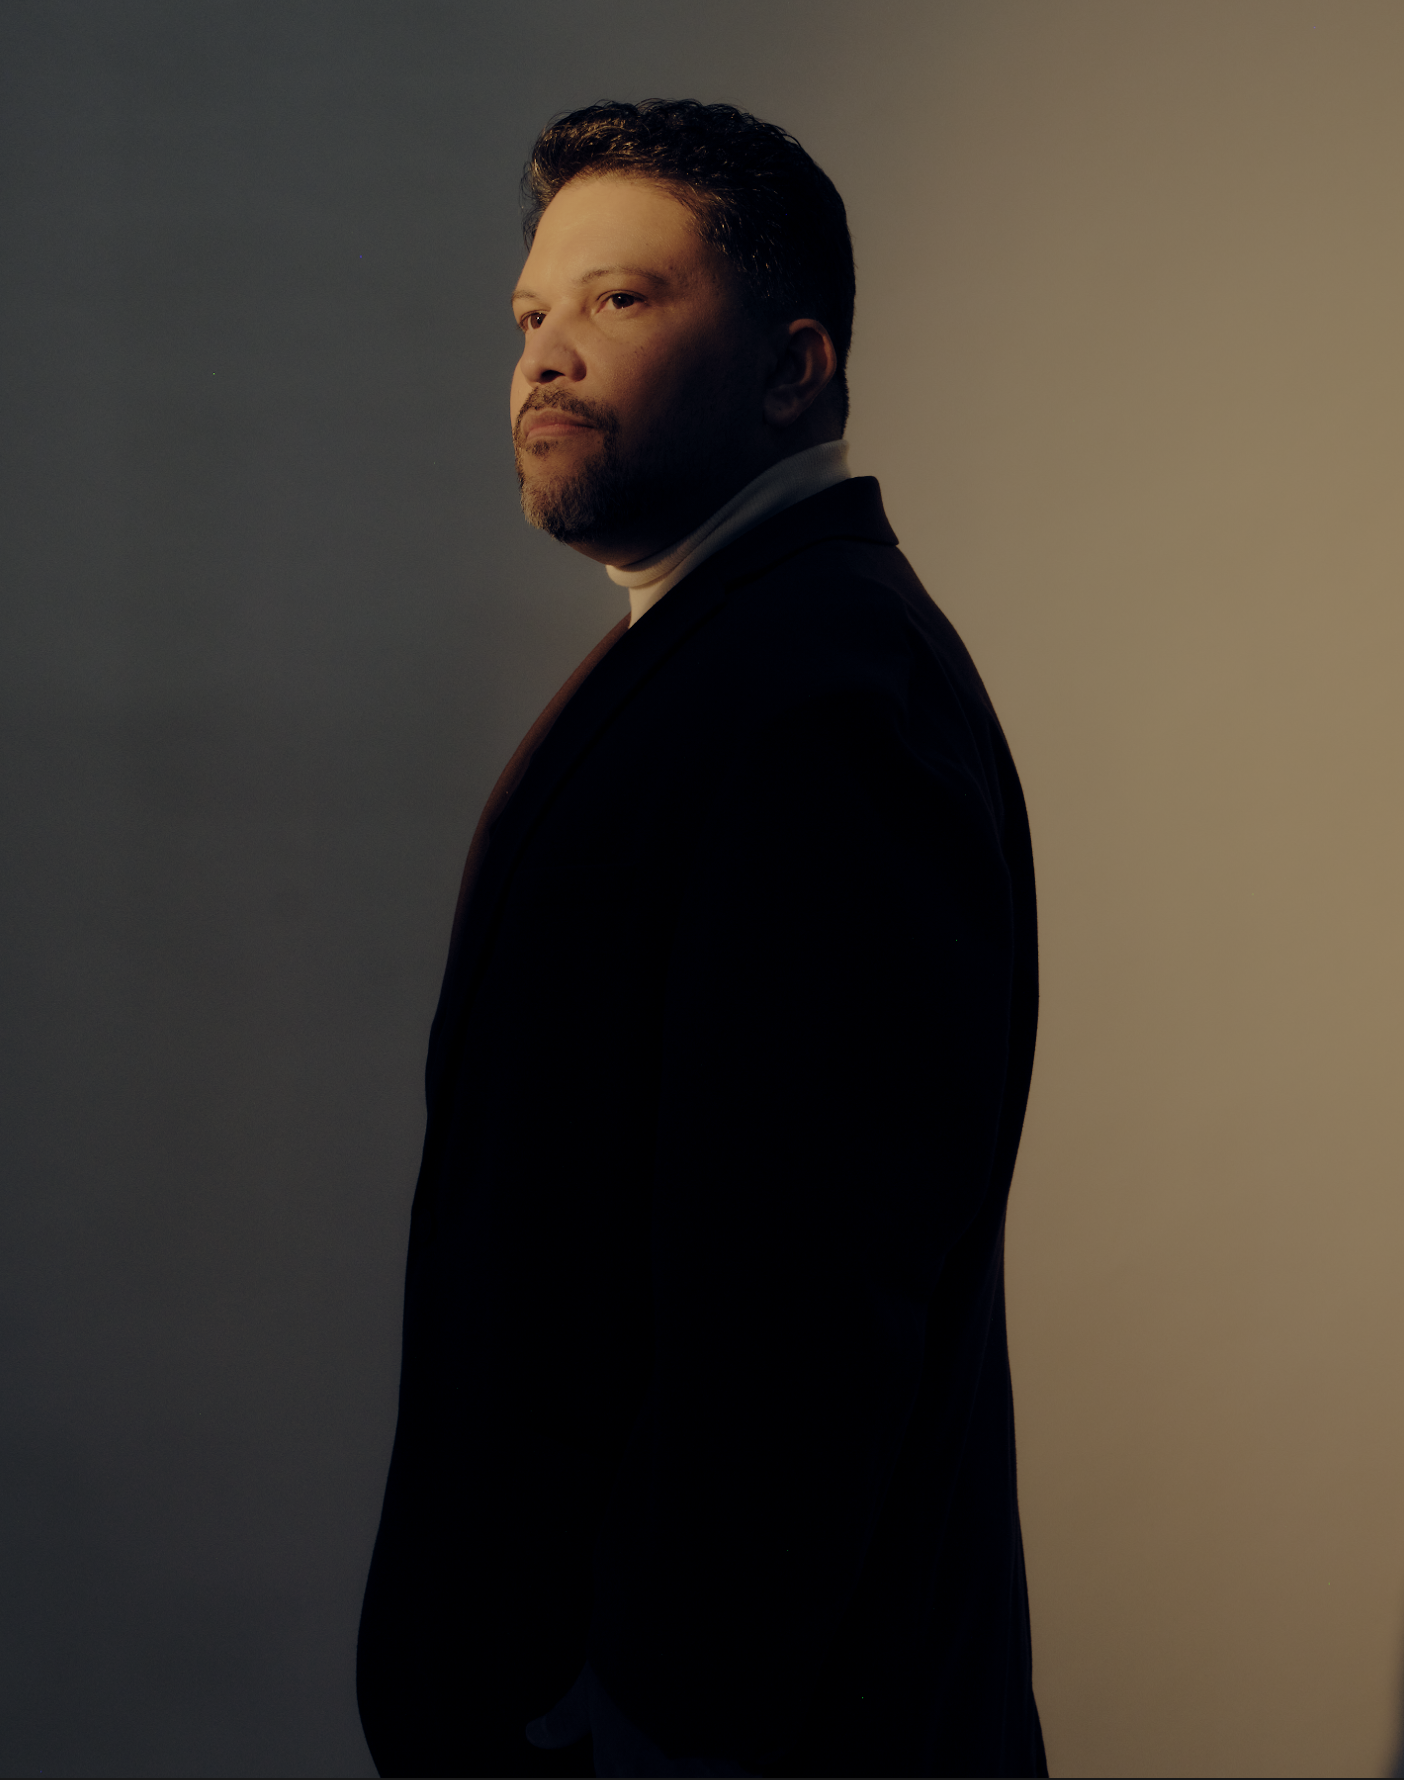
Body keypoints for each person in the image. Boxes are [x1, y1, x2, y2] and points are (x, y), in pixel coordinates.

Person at [356, 98, 1046, 1780]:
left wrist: (665, 1712)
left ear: (794, 369)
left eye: (622, 299)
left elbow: (806, 1292)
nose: (544, 354)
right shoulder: (743, 654)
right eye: (531, 313)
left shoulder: (819, 702)